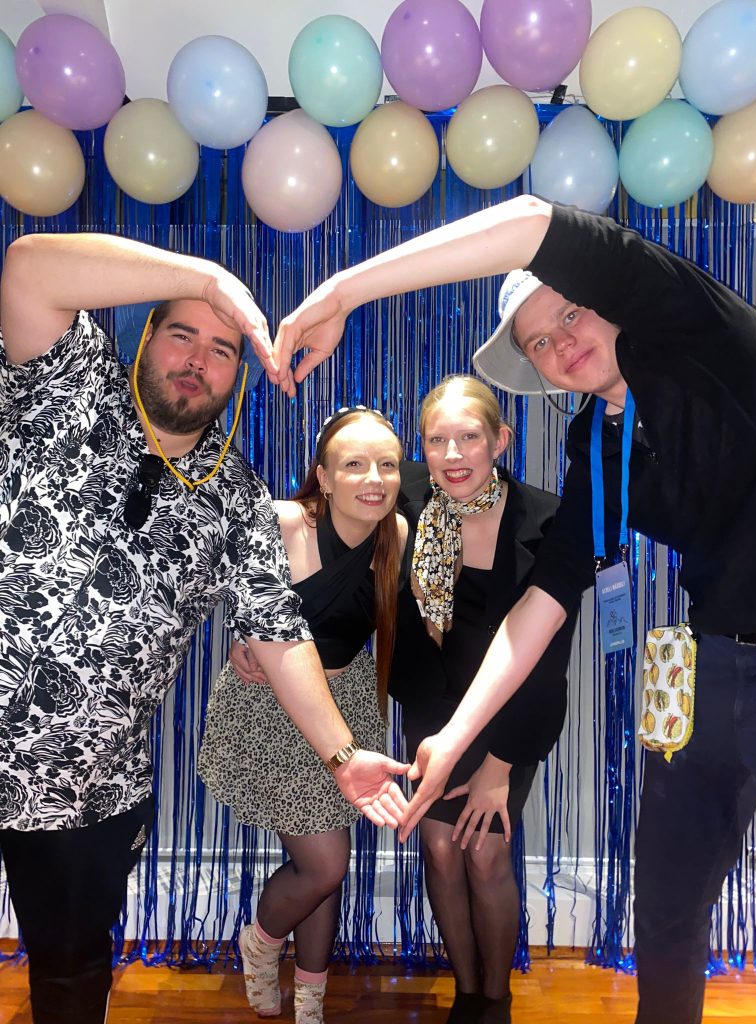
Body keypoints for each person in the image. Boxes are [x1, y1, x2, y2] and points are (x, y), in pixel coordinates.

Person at [272, 194, 756, 1024]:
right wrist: (453, 740)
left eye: (570, 314)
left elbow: (535, 220)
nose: (561, 342)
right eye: (539, 341)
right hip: (714, 662)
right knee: (667, 907)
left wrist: (343, 292)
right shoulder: (593, 443)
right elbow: (545, 599)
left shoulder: (692, 330)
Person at [0, 233, 407, 1024]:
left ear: (240, 376)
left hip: (84, 789)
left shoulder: (237, 499)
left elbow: (280, 633)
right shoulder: (69, 379)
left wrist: (343, 755)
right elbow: (26, 268)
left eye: (222, 350)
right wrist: (210, 279)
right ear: (145, 337)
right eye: (182, 333)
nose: (198, 359)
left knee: (70, 976)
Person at [199, 405, 406, 1023]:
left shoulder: (398, 534)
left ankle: (310, 999)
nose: (373, 479)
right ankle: (261, 945)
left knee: (325, 866)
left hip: (350, 709)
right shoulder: (285, 521)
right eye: (354, 464)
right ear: (323, 475)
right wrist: (241, 635)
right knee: (325, 864)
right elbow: (222, 582)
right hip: (272, 712)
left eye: (387, 464)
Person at [390, 375, 576, 1024]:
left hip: (511, 717)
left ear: (501, 440)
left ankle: (495, 1002)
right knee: (440, 850)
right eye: (435, 440)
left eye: (468, 437)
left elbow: (547, 661)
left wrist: (500, 766)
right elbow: (319, 514)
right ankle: (465, 994)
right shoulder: (404, 495)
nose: (451, 455)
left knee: (485, 851)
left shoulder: (548, 520)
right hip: (433, 711)